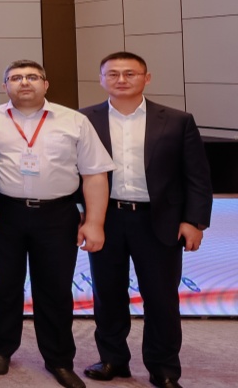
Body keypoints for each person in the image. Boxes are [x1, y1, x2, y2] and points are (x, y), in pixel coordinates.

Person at [81, 52, 213, 388]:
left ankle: (164, 368)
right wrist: (82, 217)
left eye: (130, 73)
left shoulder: (178, 120)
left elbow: (197, 176)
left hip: (160, 220)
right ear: (101, 79)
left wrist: (194, 221)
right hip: (106, 218)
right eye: (113, 74)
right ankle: (113, 359)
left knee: (161, 299)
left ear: (146, 78)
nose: (121, 79)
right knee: (107, 295)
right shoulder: (84, 120)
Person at [0, 60, 113, 388]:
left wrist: (94, 222)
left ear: (46, 84)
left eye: (32, 77)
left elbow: (95, 174)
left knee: (55, 289)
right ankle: (0, 349)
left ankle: (59, 359)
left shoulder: (74, 121)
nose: (24, 82)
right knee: (3, 285)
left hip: (57, 216)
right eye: (16, 78)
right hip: (4, 213)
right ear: (5, 86)